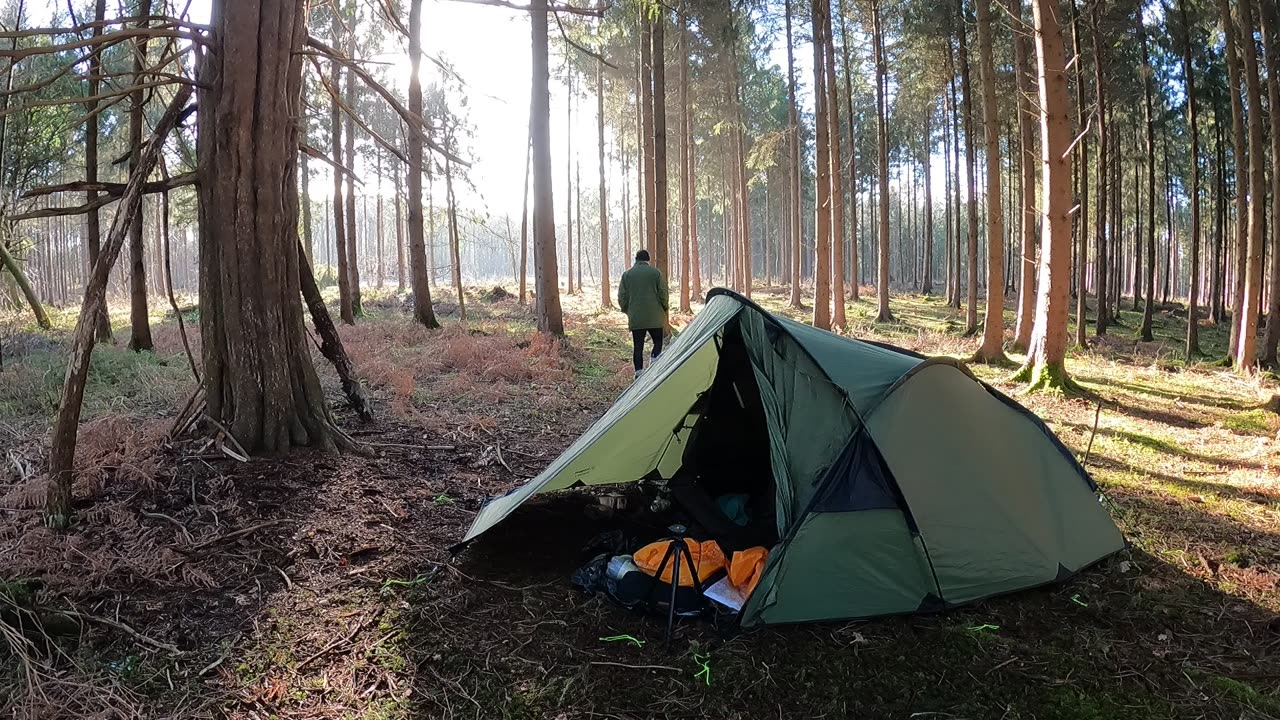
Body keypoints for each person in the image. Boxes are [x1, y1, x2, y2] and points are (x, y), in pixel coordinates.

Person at [618, 249, 669, 378]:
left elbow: (622, 296)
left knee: (638, 345)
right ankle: (654, 360)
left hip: (636, 316)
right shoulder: (656, 273)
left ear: (636, 259)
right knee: (658, 341)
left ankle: (638, 372)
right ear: (648, 260)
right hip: (655, 316)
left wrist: (626, 310)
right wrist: (664, 307)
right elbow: (663, 293)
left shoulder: (627, 275)